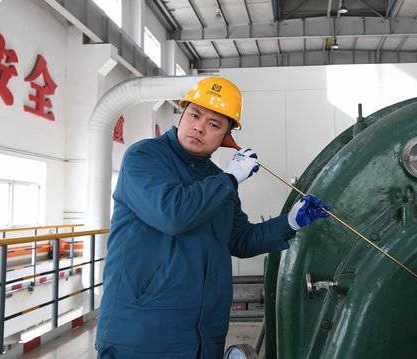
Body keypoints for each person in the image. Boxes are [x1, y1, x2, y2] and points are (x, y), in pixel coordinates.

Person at [94, 77, 331, 358]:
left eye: (214, 124)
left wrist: (290, 222)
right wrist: (230, 178)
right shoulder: (144, 157)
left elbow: (240, 240)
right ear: (183, 114)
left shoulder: (216, 181)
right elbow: (173, 215)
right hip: (142, 332)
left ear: (225, 139)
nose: (199, 127)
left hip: (204, 335)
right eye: (195, 115)